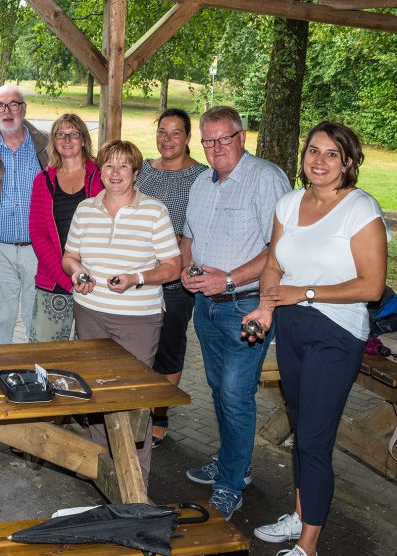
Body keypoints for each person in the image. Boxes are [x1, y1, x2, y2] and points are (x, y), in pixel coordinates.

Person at [245, 123, 387, 556]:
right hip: (291, 328)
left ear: (348, 162)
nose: (319, 161)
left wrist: (303, 293)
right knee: (302, 431)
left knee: (313, 438)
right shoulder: (288, 203)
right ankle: (302, 515)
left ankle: (308, 545)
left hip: (336, 332)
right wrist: (265, 308)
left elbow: (372, 287)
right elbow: (274, 264)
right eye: (313, 151)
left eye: (330, 154)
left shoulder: (360, 210)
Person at [181, 105, 291, 519]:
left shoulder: (265, 179)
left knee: (235, 394)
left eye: (223, 138)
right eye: (208, 140)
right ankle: (233, 463)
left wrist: (227, 279)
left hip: (245, 307)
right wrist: (189, 268)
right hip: (206, 307)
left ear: (242, 137)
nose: (215, 148)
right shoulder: (202, 183)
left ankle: (230, 484)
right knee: (219, 390)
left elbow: (279, 250)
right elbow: (190, 235)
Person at [61, 139, 181, 485]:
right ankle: (103, 471)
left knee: (132, 399)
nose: (115, 173)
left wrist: (136, 278)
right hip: (90, 313)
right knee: (95, 392)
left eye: (123, 166)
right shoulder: (86, 209)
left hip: (138, 320)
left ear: (136, 172)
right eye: (109, 165)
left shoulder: (154, 211)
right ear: (100, 171)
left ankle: (135, 481)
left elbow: (173, 267)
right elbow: (70, 256)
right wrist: (78, 273)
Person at [135, 108, 209, 447]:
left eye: (175, 132)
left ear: (188, 137)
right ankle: (134, 407)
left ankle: (159, 412)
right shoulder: (144, 171)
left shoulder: (202, 177)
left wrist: (182, 263)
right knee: (137, 344)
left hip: (176, 277)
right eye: (162, 131)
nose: (167, 139)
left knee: (169, 343)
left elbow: (202, 228)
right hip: (138, 273)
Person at [0, 84, 49, 345]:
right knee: (0, 320)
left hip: (39, 251)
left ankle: (37, 379)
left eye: (13, 104)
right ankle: (1, 375)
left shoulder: (48, 146)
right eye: (0, 106)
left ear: (24, 108)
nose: (7, 111)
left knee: (36, 320)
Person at [28, 113, 102, 342]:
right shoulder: (43, 180)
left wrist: (84, 277)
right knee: (46, 355)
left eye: (73, 134)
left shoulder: (100, 176)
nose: (67, 140)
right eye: (61, 134)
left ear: (83, 139)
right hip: (53, 280)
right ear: (54, 141)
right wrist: (66, 277)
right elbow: (38, 233)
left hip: (94, 282)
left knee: (91, 355)